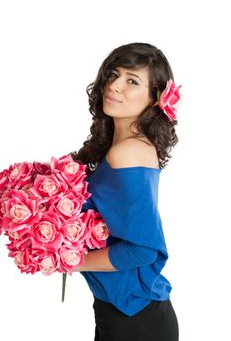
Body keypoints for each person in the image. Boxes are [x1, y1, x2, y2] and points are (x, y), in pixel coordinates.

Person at [71, 42, 181, 341]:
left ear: (154, 98)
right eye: (113, 74)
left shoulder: (128, 152)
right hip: (119, 311)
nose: (114, 86)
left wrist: (69, 259)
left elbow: (143, 249)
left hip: (136, 320)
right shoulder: (121, 147)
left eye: (132, 80)